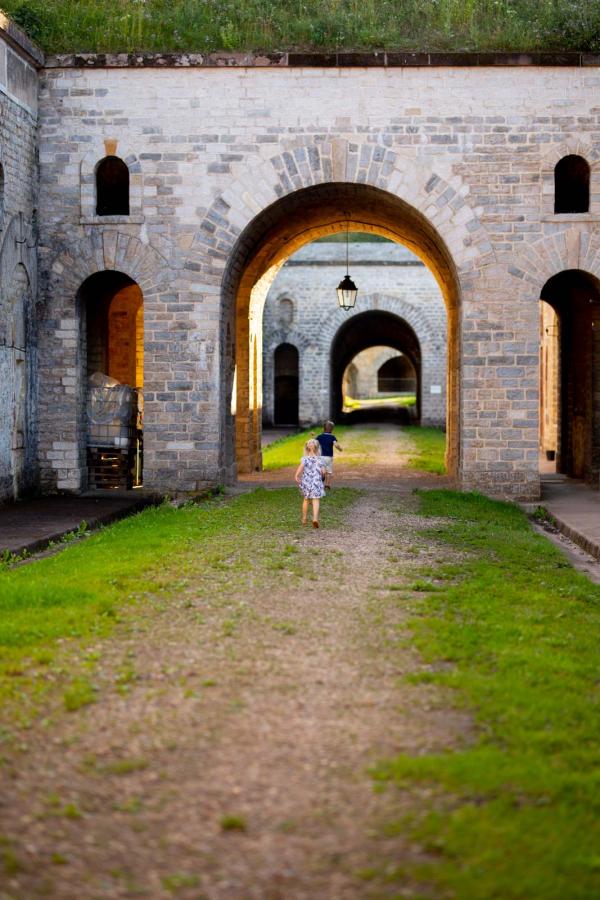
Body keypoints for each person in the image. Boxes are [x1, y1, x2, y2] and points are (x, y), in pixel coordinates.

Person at [295, 438, 325, 528]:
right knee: (316, 500)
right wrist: (323, 474)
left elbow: (301, 468)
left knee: (306, 500)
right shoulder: (320, 459)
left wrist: (296, 475)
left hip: (307, 481)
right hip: (316, 481)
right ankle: (315, 519)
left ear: (307, 447)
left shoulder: (305, 459)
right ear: (317, 447)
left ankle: (304, 518)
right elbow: (323, 471)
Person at [316, 420, 343, 490]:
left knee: (321, 469)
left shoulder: (319, 436)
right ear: (332, 429)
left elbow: (315, 444)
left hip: (320, 456)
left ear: (323, 428)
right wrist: (340, 449)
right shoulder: (332, 437)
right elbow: (336, 445)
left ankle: (321, 478)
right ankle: (327, 485)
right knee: (329, 471)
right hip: (329, 457)